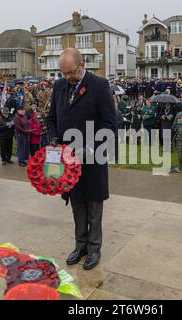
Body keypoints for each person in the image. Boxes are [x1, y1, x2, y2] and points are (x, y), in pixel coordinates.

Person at [47, 48, 117, 271]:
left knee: (93, 206)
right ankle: (81, 246)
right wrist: (54, 140)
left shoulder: (99, 86)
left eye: (71, 73)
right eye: (64, 73)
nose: (68, 78)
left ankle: (94, 249)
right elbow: (51, 119)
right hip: (68, 160)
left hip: (92, 158)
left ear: (82, 64)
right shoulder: (59, 86)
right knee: (77, 204)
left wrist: (88, 148)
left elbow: (109, 125)